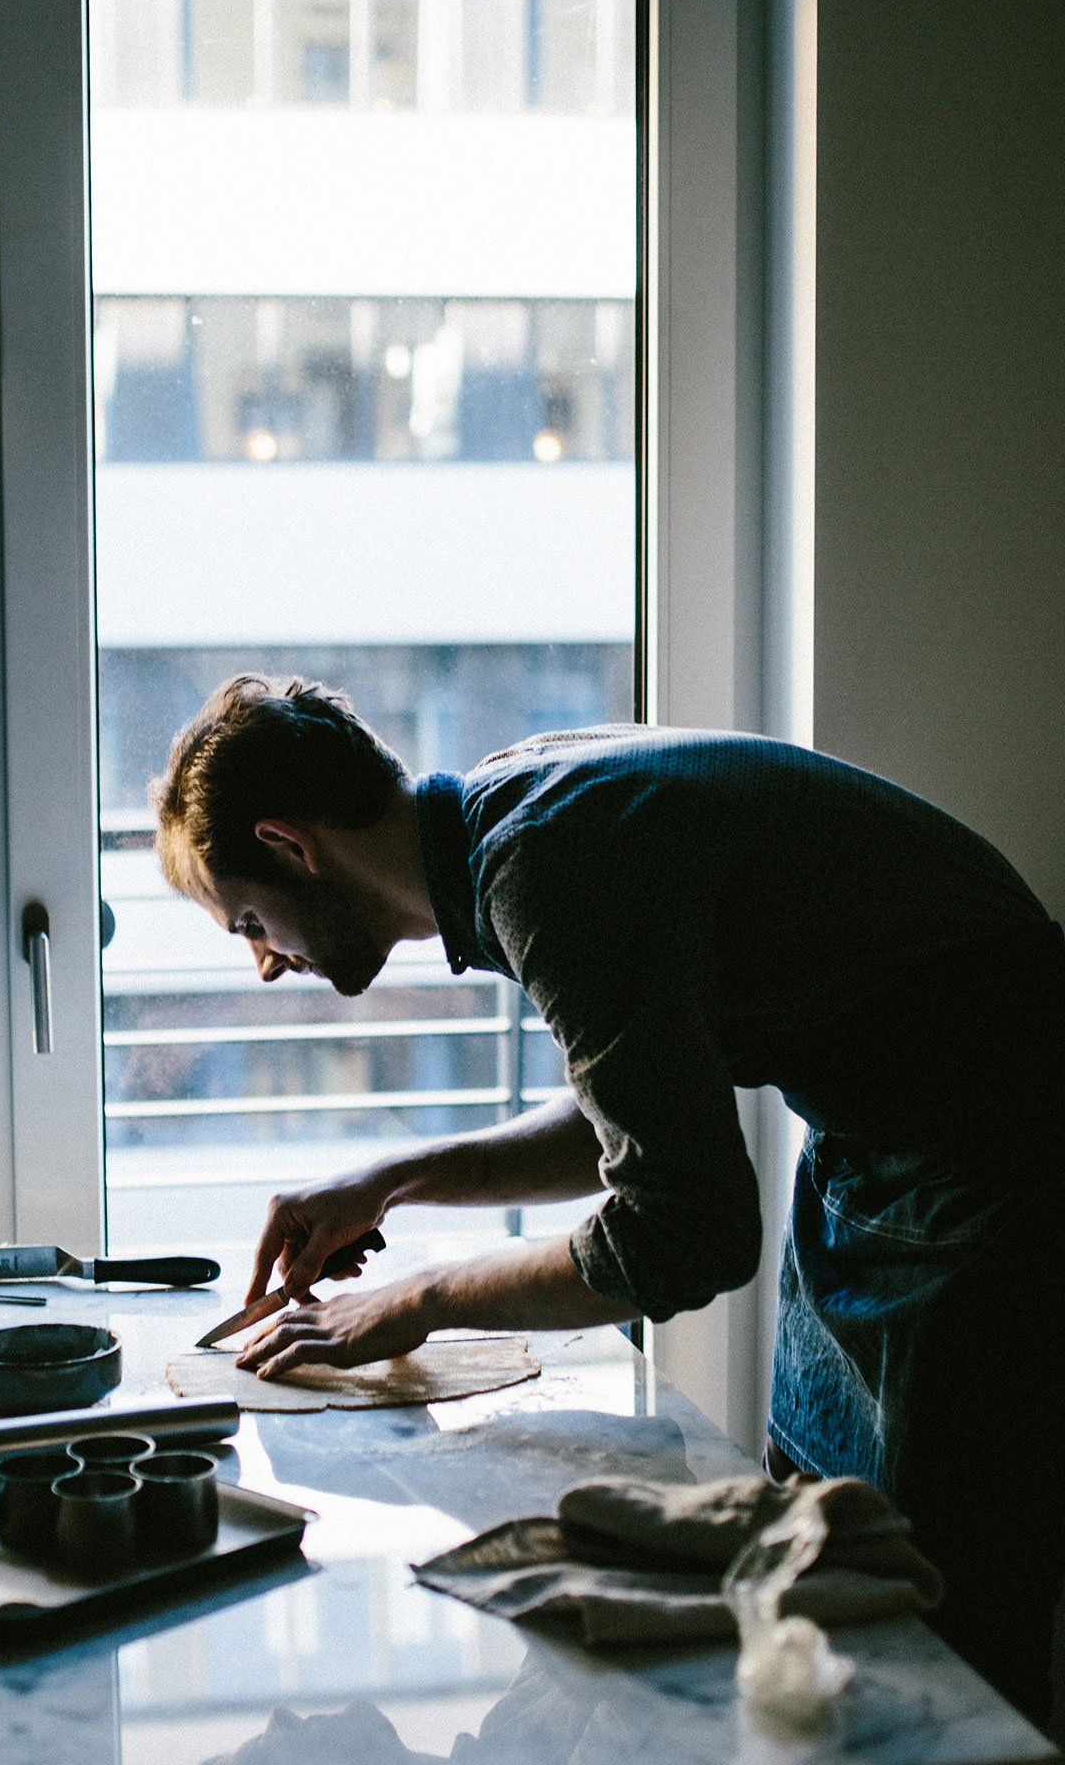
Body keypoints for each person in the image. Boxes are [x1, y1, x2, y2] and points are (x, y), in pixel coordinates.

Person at [151, 673, 1065, 1727]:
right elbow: (635, 1111)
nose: (267, 964)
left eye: (251, 923)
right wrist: (391, 1178)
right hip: (878, 1160)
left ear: (293, 843)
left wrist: (417, 1300)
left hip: (996, 1168)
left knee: (936, 1637)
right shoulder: (511, 815)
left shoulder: (547, 859)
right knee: (816, 1565)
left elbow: (686, 1228)